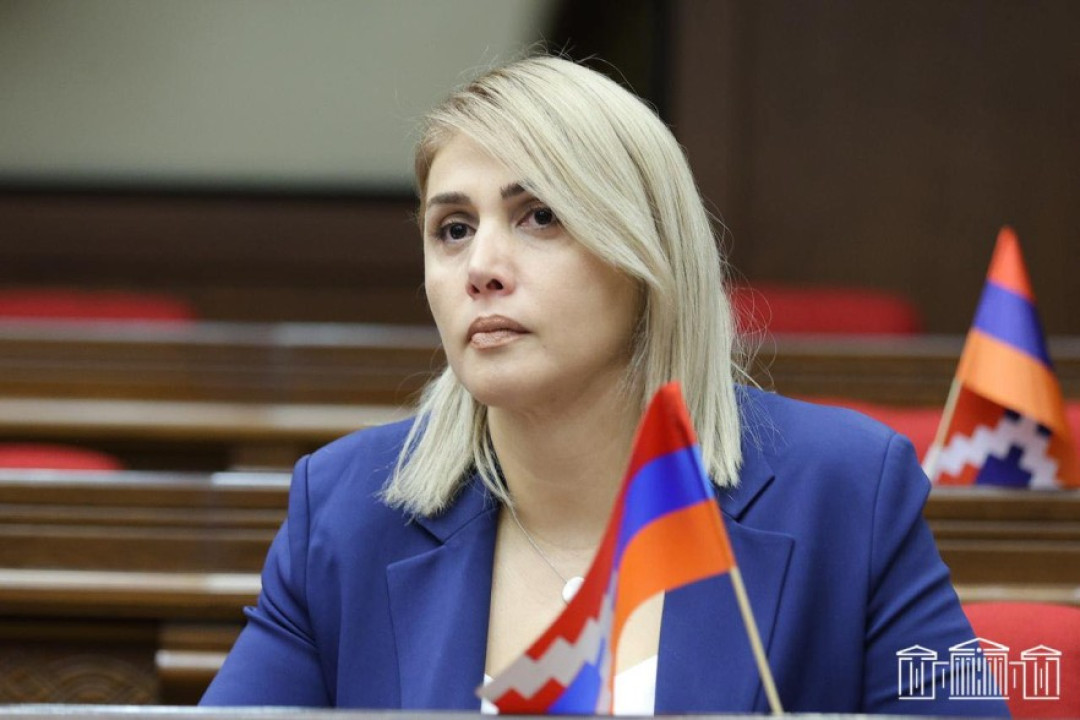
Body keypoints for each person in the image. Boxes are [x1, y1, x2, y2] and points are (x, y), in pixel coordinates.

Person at [201, 56, 1008, 716]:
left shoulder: (848, 493)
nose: (481, 267)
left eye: (539, 216)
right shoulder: (346, 511)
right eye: (453, 229)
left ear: (645, 253)